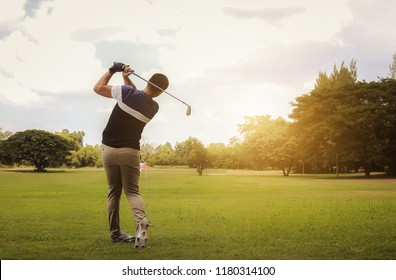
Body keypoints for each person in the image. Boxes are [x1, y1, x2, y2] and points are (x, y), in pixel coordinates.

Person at [93, 62, 169, 248]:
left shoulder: (127, 94)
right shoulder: (153, 108)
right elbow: (138, 97)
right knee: (132, 191)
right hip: (130, 152)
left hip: (108, 150)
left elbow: (98, 88)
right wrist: (126, 77)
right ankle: (140, 221)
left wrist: (114, 70)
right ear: (160, 92)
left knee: (114, 192)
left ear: (148, 81)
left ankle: (115, 233)